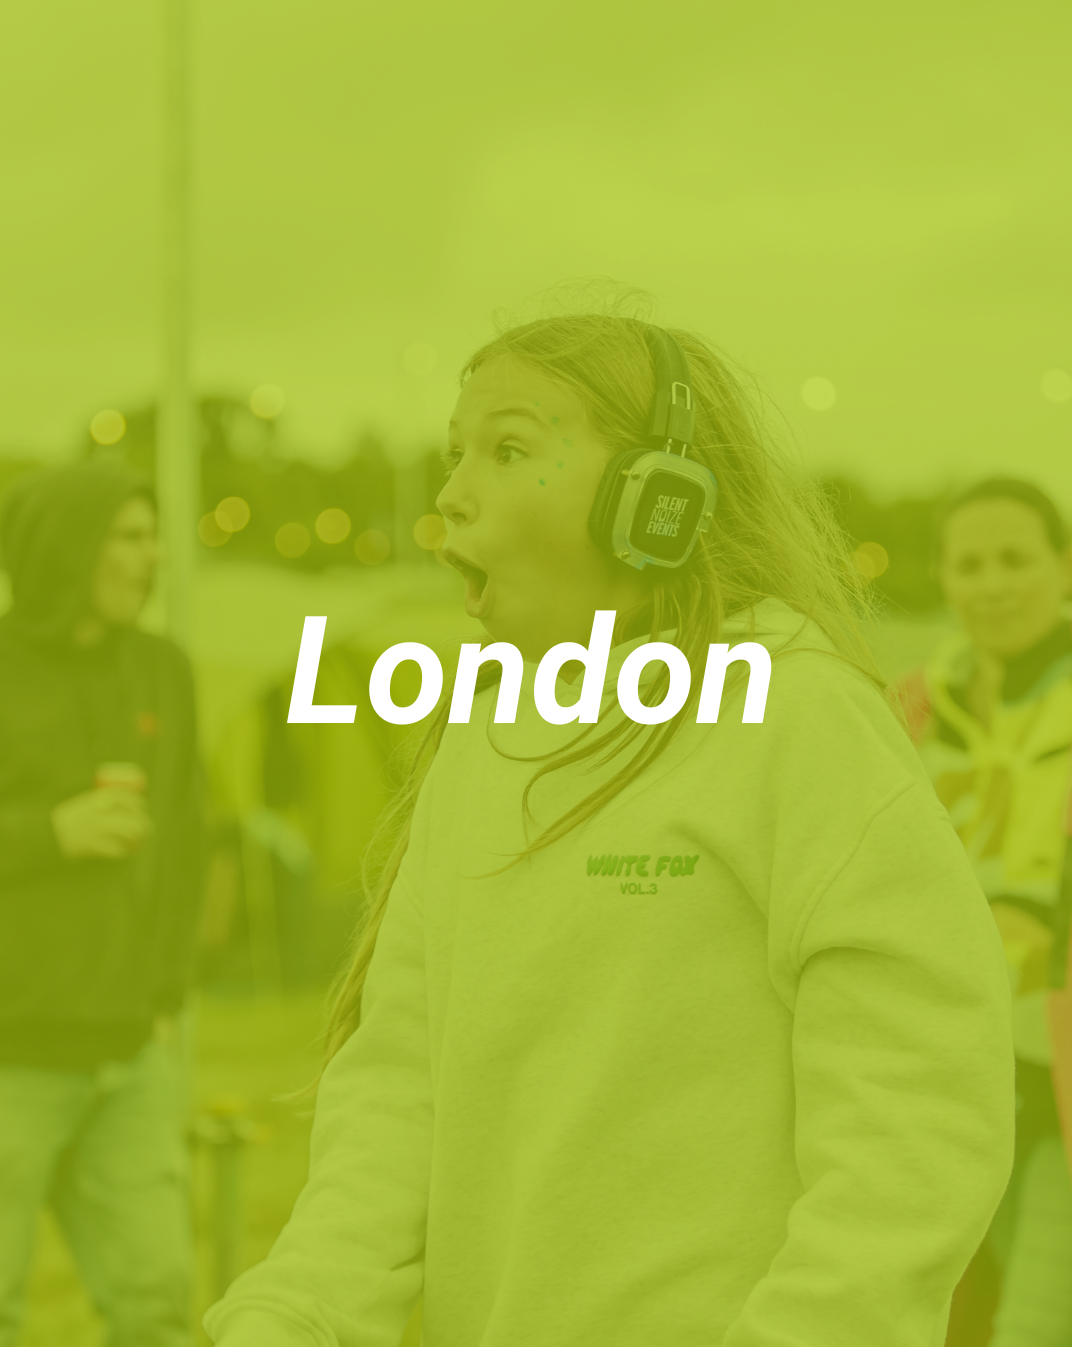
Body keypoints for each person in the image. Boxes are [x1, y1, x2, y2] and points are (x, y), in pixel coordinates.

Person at [205, 313, 1014, 1347]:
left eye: (507, 450)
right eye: (454, 454)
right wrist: (291, 1312)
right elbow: (401, 1089)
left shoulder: (798, 716)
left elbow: (918, 1124)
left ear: (658, 500)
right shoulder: (482, 740)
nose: (452, 493)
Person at [0, 463, 204, 1347]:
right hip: (6, 1058)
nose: (151, 556)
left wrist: (162, 993)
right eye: (128, 536)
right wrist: (51, 833)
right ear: (65, 548)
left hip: (129, 1056)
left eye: (153, 535)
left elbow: (187, 837)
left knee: (157, 1309)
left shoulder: (162, 667)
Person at [894, 478, 1072, 1347]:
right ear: (944, 577)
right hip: (947, 1066)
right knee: (945, 1317)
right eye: (970, 563)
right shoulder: (913, 708)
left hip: (1057, 1070)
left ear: (1064, 565)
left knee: (1036, 1321)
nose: (993, 584)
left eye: (1015, 559)